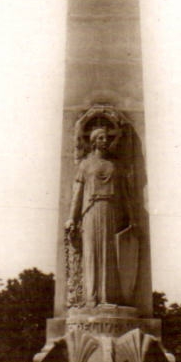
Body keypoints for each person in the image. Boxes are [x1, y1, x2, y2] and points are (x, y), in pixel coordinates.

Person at [65, 111, 133, 307]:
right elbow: (78, 193)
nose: (105, 140)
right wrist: (71, 217)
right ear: (93, 142)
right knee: (92, 253)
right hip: (91, 211)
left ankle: (106, 298)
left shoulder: (114, 166)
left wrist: (131, 217)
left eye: (106, 137)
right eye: (100, 138)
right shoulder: (85, 165)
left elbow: (125, 194)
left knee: (108, 255)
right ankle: (90, 298)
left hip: (110, 211)